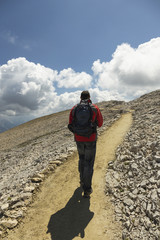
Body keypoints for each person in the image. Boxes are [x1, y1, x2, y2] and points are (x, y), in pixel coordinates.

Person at [68, 90, 103, 198]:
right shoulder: (94, 108)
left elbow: (70, 124)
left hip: (79, 139)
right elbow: (100, 124)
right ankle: (87, 189)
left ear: (80, 97)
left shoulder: (74, 108)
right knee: (89, 162)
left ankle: (82, 181)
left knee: (82, 159)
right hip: (90, 139)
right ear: (89, 97)